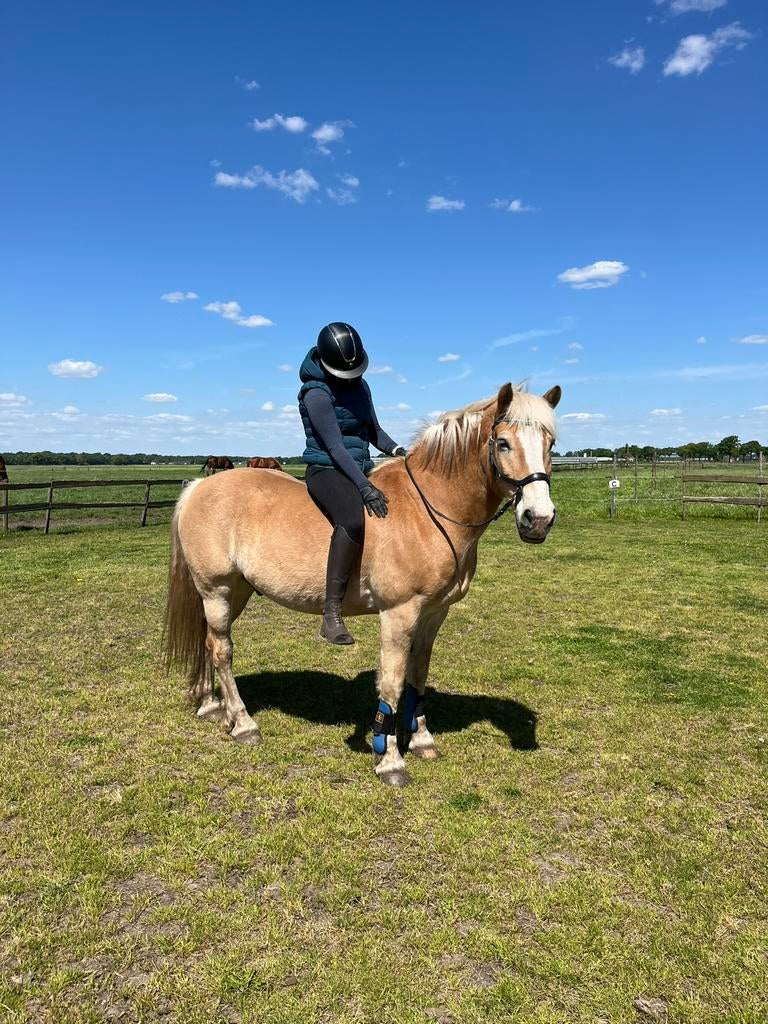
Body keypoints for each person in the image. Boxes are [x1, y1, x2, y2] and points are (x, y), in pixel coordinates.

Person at [298, 322, 407, 645]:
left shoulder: (361, 386)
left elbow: (374, 431)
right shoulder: (315, 393)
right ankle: (331, 613)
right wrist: (364, 487)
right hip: (327, 469)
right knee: (352, 519)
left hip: (359, 467)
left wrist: (401, 451)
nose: (353, 378)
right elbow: (335, 447)